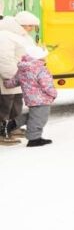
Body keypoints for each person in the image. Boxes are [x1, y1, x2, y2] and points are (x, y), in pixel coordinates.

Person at [0, 12, 40, 144]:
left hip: (19, 77)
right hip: (8, 78)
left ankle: (12, 128)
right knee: (4, 107)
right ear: (23, 24)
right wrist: (11, 77)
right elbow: (4, 59)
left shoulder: (22, 35)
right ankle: (1, 134)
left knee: (16, 105)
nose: (32, 29)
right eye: (31, 26)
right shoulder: (5, 35)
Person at [3, 45, 56, 147]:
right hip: (42, 99)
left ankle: (11, 124)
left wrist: (6, 83)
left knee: (34, 116)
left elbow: (15, 81)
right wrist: (53, 94)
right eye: (43, 56)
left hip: (31, 99)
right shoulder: (40, 69)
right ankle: (34, 139)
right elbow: (46, 85)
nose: (45, 58)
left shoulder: (24, 68)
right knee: (39, 119)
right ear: (38, 57)